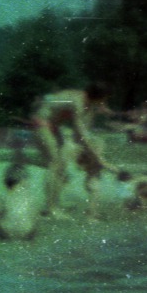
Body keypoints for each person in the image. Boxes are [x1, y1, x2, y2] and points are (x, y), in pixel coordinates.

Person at [30, 84, 116, 217]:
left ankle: (54, 203)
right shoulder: (77, 102)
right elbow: (80, 133)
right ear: (99, 97)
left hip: (52, 126)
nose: (104, 103)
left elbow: (82, 130)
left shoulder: (82, 98)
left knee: (61, 165)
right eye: (104, 99)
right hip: (42, 124)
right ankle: (51, 208)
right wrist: (99, 160)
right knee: (55, 164)